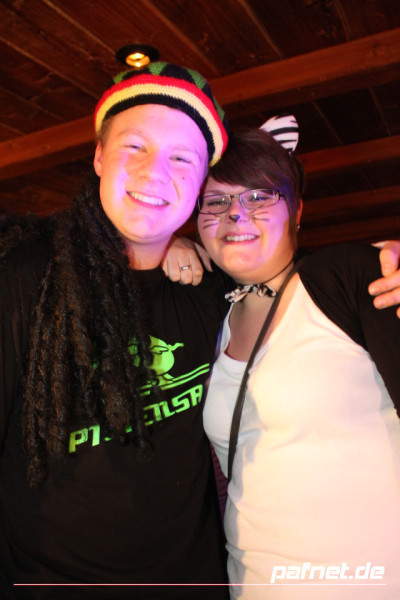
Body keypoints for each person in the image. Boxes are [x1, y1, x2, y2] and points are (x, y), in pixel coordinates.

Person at [0, 62, 233, 599]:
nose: (155, 173)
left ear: (201, 183)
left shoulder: (211, 288)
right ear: (100, 156)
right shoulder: (25, 279)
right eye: (135, 146)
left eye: (182, 158)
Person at [195, 125, 400, 599]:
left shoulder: (346, 277)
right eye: (216, 201)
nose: (235, 214)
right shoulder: (210, 315)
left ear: (297, 210)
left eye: (259, 196)